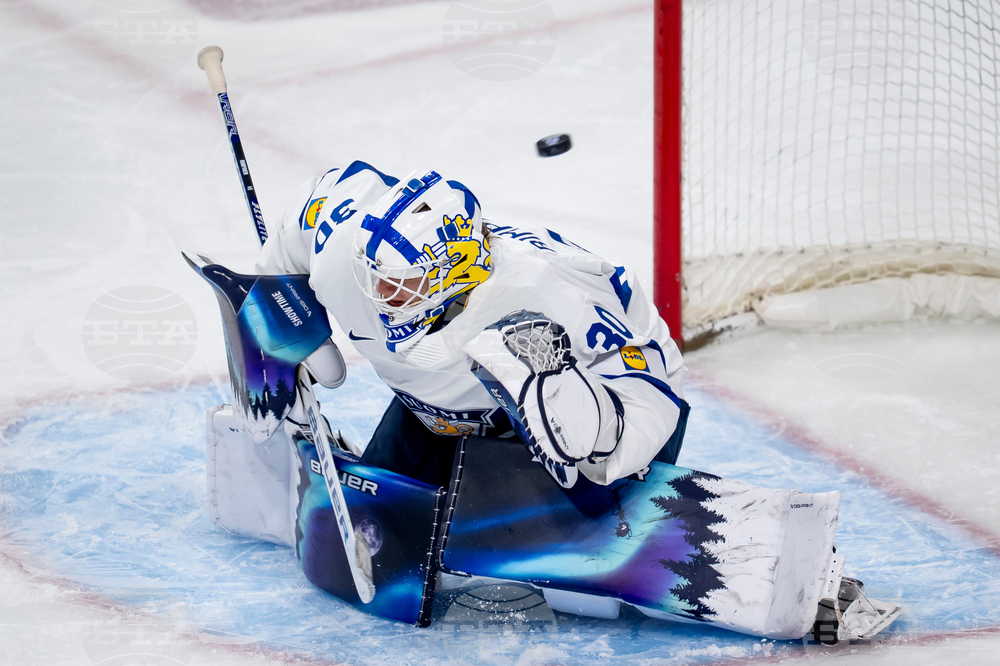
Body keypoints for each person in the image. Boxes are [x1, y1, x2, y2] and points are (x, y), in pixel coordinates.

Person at [255, 160, 689, 489]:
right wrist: (281, 328)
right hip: (440, 411)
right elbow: (299, 223)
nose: (378, 294)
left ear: (453, 274)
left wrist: (598, 435)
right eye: (375, 275)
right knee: (383, 509)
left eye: (399, 284)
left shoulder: (545, 299)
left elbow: (652, 394)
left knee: (526, 538)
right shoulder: (347, 252)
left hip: (588, 399)